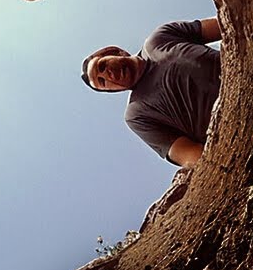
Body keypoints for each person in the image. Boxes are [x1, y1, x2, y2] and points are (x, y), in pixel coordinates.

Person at [81, 18, 221, 168]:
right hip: (228, 124)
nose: (108, 75)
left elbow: (225, 23)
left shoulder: (160, 37)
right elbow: (189, 154)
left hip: (244, 71)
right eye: (102, 82)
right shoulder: (137, 114)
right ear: (112, 90)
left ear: (114, 52)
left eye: (102, 66)